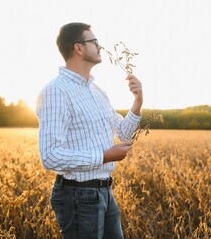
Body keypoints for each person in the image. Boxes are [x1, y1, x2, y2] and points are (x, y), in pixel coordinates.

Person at [36, 22, 143, 238]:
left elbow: (123, 133)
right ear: (78, 48)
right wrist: (104, 156)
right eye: (94, 42)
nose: (100, 46)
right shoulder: (56, 91)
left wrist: (138, 102)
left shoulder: (97, 91)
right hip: (77, 196)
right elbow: (50, 156)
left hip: (105, 192)